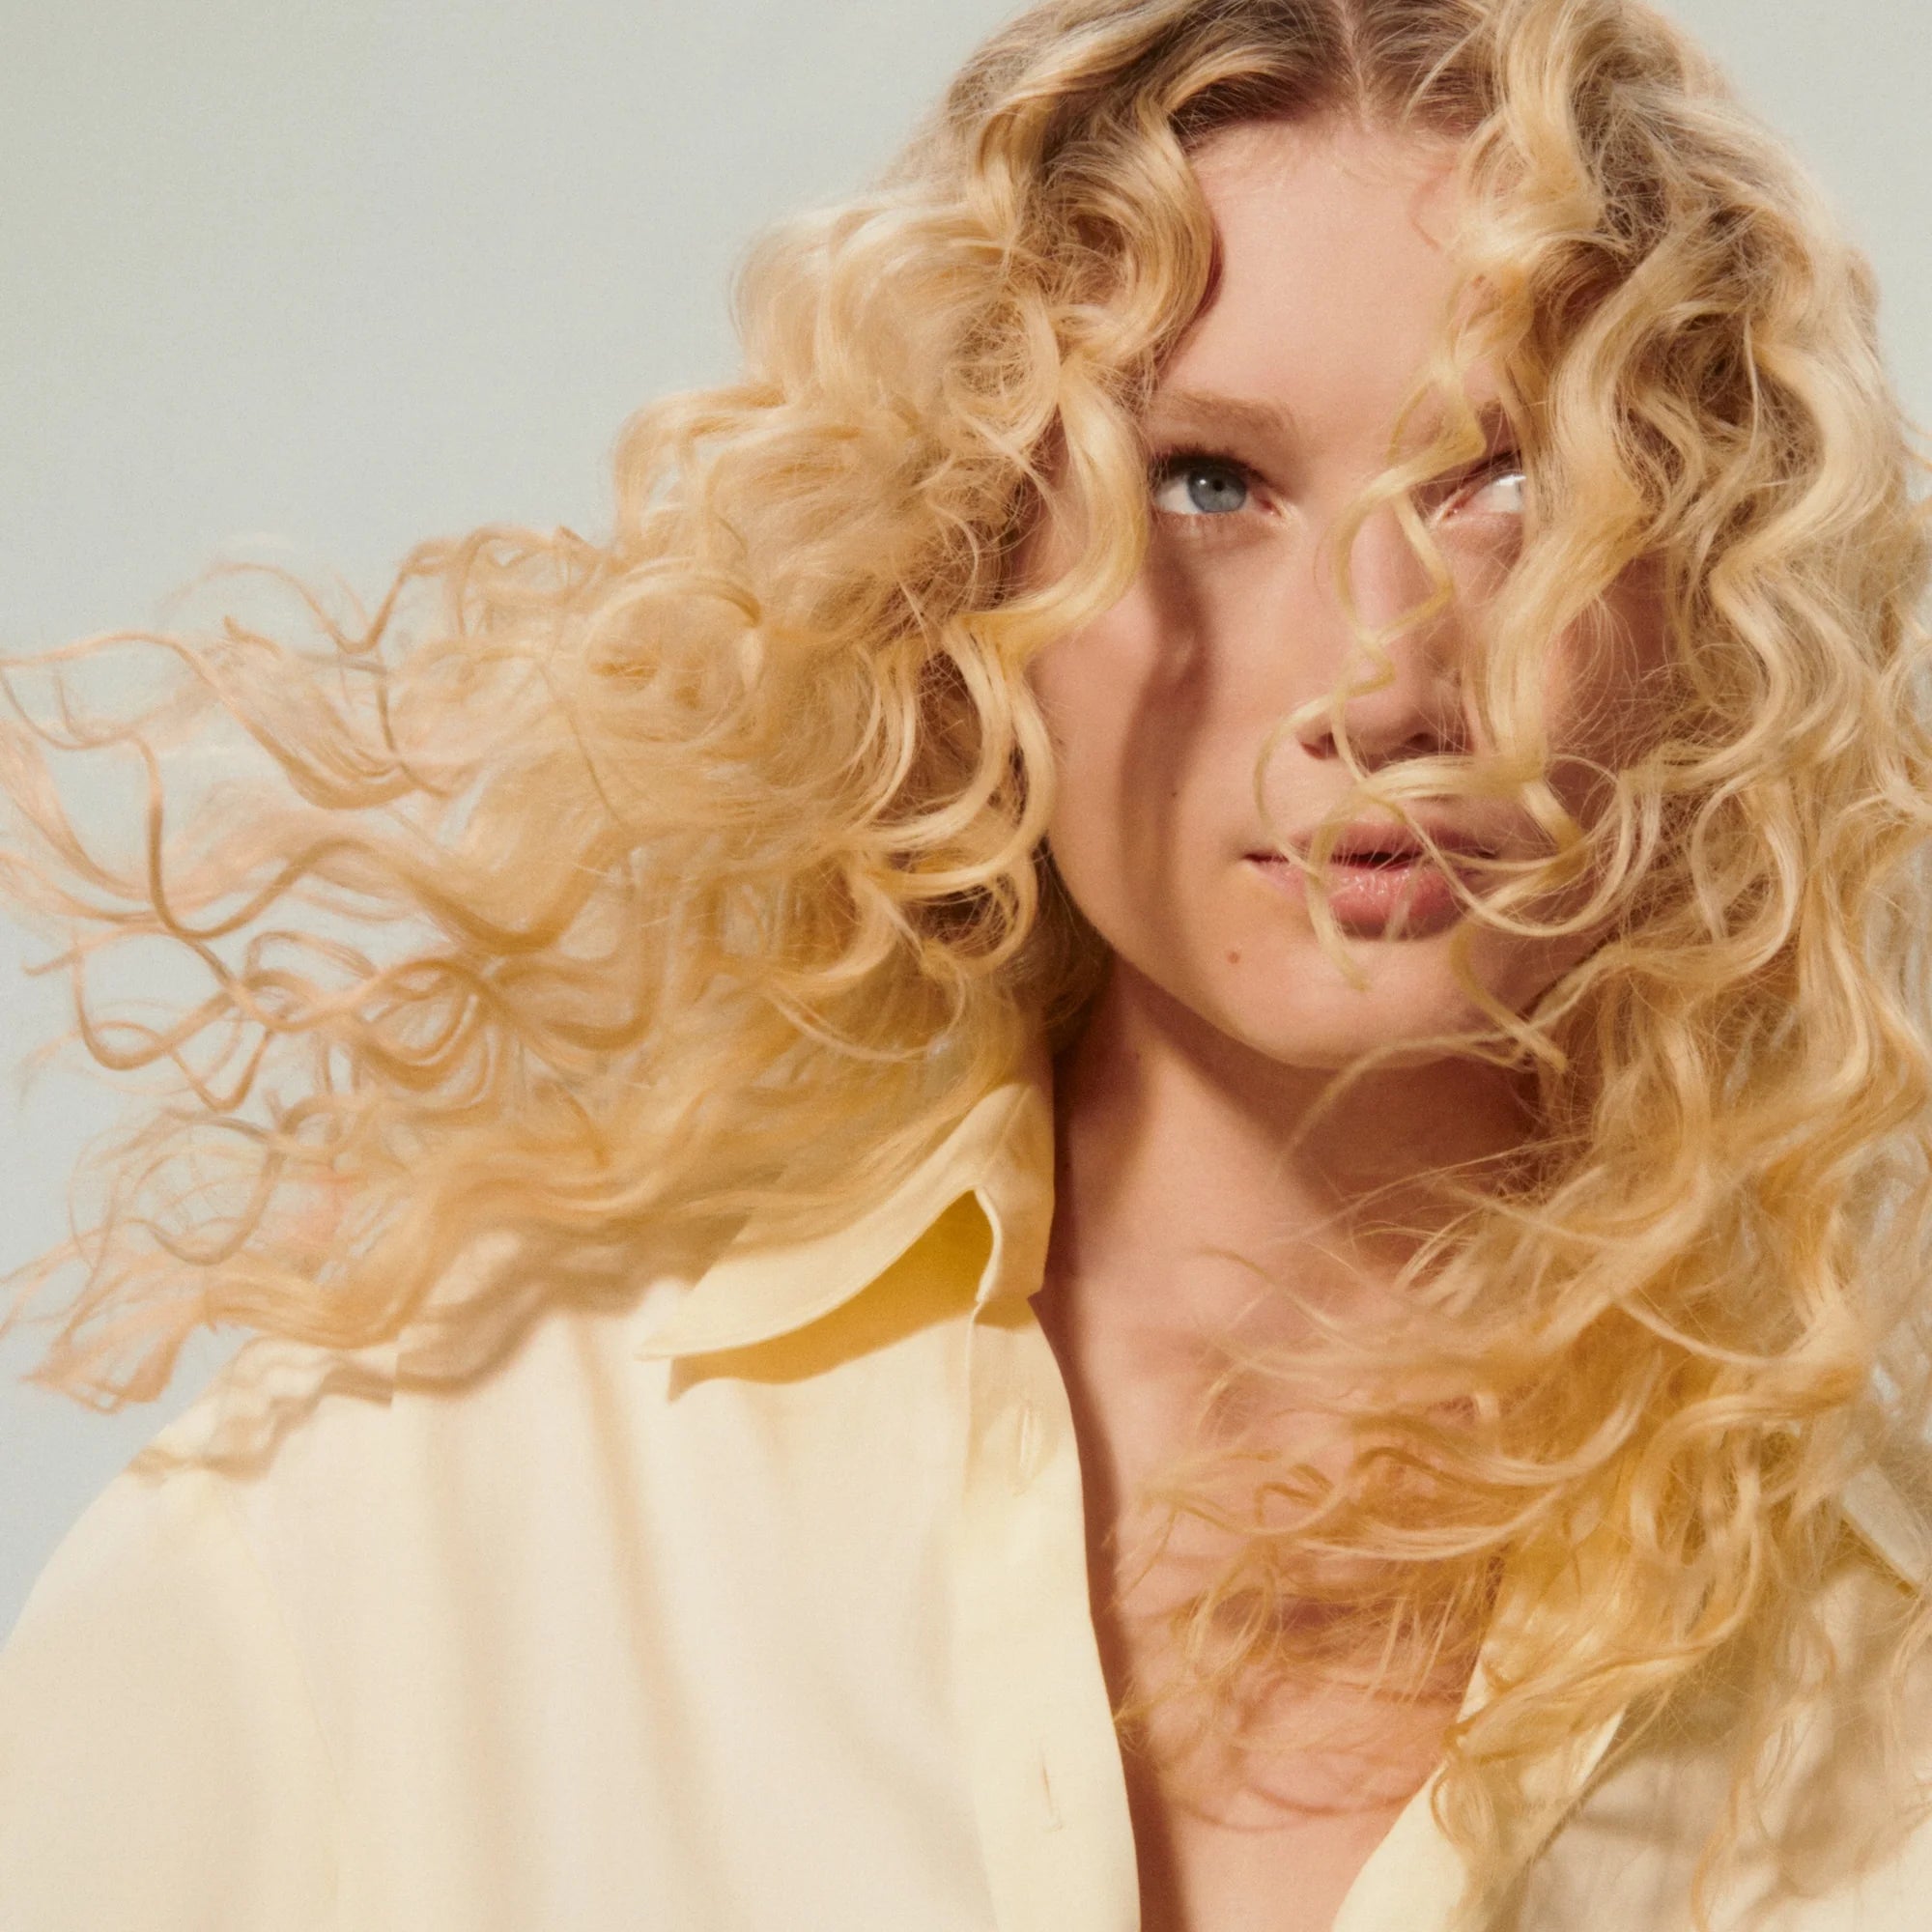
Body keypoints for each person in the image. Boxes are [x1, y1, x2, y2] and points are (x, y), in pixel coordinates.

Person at [4, 0, 1932, 1926]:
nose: (1383, 672)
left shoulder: (1887, 1637)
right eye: (1206, 480)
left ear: (1715, 586)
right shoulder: (400, 1546)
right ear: (968, 577)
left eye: (1510, 481)